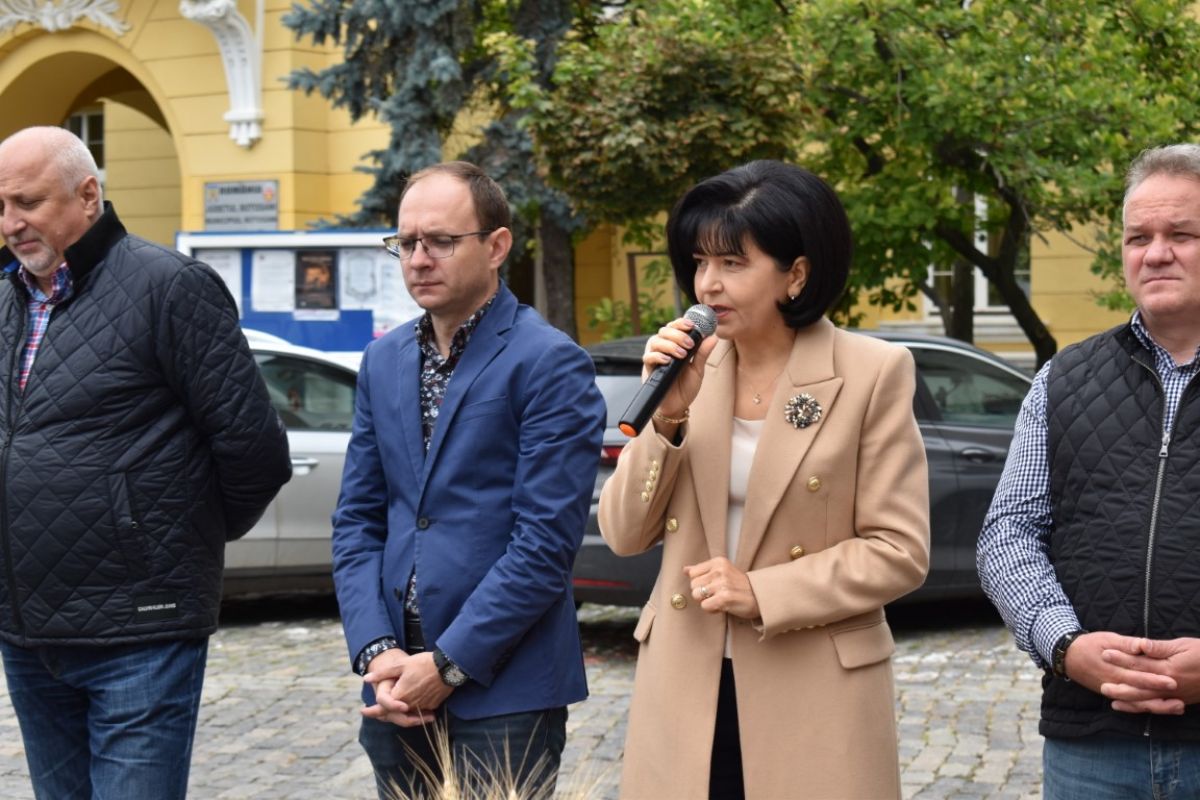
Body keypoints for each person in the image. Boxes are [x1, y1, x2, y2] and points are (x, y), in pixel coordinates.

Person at [598, 160, 930, 799]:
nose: (708, 284)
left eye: (733, 263)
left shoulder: (872, 371)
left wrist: (761, 591)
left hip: (813, 686)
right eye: (700, 261)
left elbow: (899, 551)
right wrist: (667, 417)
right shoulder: (689, 370)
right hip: (686, 682)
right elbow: (623, 533)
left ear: (796, 274)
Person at [0, 126, 291, 799]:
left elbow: (254, 450)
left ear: (88, 196)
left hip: (141, 630)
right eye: (1, 207)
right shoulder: (8, 299)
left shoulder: (171, 287)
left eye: (28, 202)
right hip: (29, 630)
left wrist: (164, 540)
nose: (11, 224)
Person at [332, 161, 606, 798]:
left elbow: (543, 545)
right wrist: (376, 650)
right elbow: (358, 521)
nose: (418, 259)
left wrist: (448, 665)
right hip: (396, 683)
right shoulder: (383, 359)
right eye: (406, 243)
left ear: (497, 246)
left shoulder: (548, 361)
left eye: (441, 241)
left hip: (506, 687)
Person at [978, 143, 1200, 798]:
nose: (1155, 254)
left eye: (1181, 235)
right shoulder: (1063, 379)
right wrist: (1065, 646)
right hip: (1092, 749)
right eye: (1138, 238)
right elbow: (1009, 534)